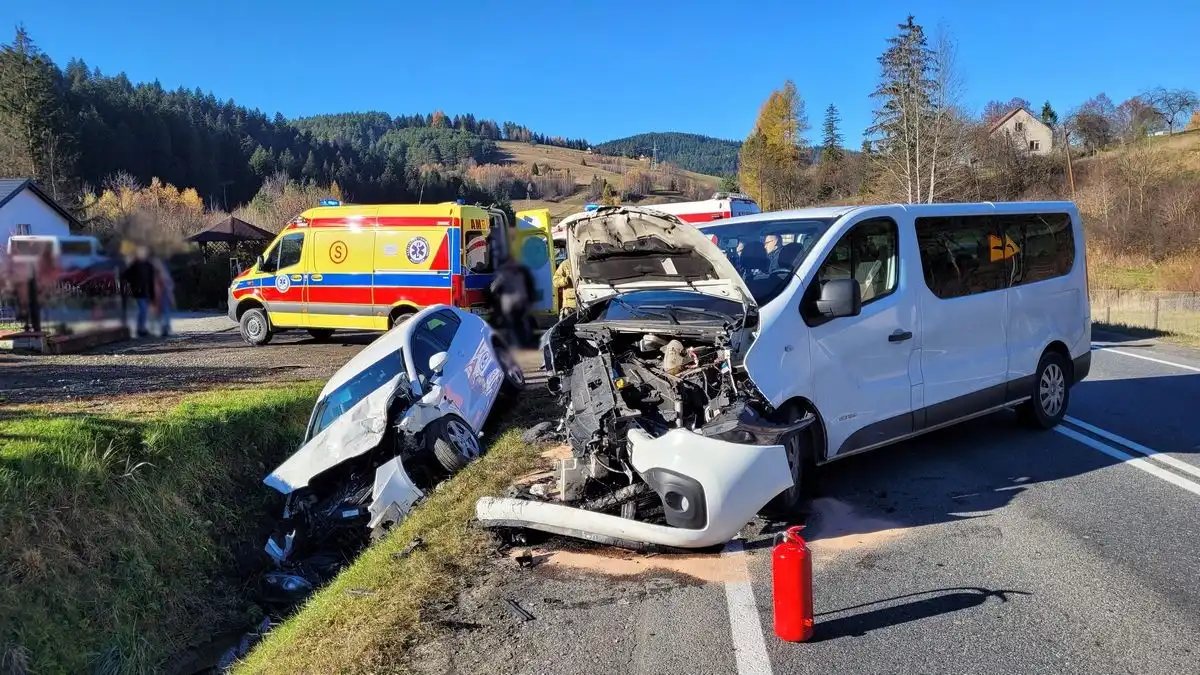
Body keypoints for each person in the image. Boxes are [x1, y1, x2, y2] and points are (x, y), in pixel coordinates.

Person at [490, 257, 532, 348]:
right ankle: (525, 343)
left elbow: (493, 288)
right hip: (521, 302)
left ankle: (517, 345)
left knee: (512, 325)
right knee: (521, 323)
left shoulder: (503, 274)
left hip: (510, 304)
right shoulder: (520, 273)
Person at [122, 246, 156, 337]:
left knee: (144, 311)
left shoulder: (148, 265)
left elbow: (151, 280)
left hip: (145, 291)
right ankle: (140, 328)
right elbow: (125, 275)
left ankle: (141, 328)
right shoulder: (135, 265)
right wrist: (133, 285)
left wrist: (152, 294)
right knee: (142, 310)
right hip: (138, 291)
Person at [151, 255, 175, 337]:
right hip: (160, 292)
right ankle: (164, 326)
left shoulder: (159, 269)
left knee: (163, 310)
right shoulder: (159, 269)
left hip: (161, 292)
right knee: (163, 311)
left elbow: (165, 283)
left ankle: (164, 327)